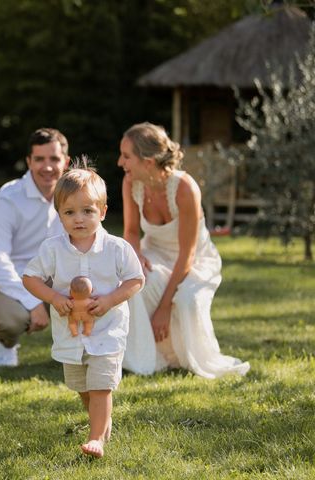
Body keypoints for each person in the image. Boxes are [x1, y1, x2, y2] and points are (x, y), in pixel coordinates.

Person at [23, 165, 144, 458]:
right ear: (59, 214)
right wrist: (53, 297)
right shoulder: (52, 249)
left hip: (107, 330)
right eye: (70, 212)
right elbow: (30, 278)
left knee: (101, 386)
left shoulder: (117, 248)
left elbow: (135, 280)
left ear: (102, 211)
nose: (79, 219)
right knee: (83, 387)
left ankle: (96, 438)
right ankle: (101, 423)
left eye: (87, 211)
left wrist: (110, 299)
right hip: (71, 333)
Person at [118, 122, 250, 378]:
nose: (120, 162)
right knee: (137, 283)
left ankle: (185, 359)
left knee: (187, 301)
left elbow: (187, 255)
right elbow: (132, 232)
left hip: (195, 260)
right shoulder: (130, 183)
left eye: (126, 156)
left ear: (148, 160)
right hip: (154, 253)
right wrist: (136, 255)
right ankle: (147, 360)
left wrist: (164, 308)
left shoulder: (185, 188)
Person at [0, 128, 70, 367]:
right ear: (28, 161)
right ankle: (6, 341)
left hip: (52, 277)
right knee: (12, 320)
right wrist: (33, 303)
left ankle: (82, 354)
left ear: (66, 162)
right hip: (2, 280)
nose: (47, 167)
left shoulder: (74, 195)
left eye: (54, 159)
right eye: (39, 159)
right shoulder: (8, 197)